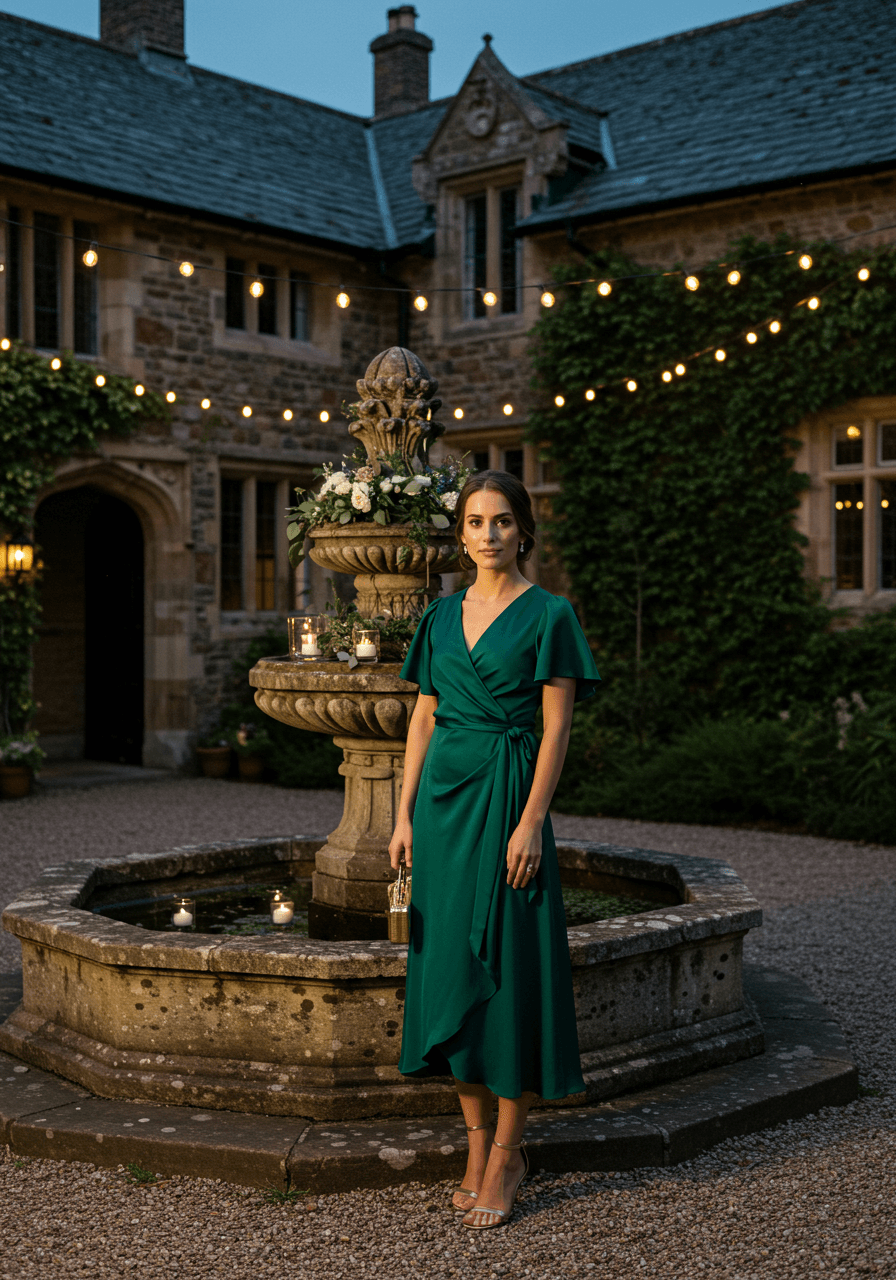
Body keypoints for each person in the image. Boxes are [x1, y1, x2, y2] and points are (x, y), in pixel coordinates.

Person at [388, 469, 601, 1230]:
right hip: (441, 813)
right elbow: (423, 717)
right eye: (476, 522)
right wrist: (402, 815)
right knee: (447, 972)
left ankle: (509, 1153)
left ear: (523, 530)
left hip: (510, 800)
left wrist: (531, 822)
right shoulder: (439, 616)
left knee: (510, 976)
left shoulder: (549, 615)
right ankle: (475, 1144)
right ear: (461, 534)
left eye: (502, 521)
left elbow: (556, 727)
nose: (488, 534)